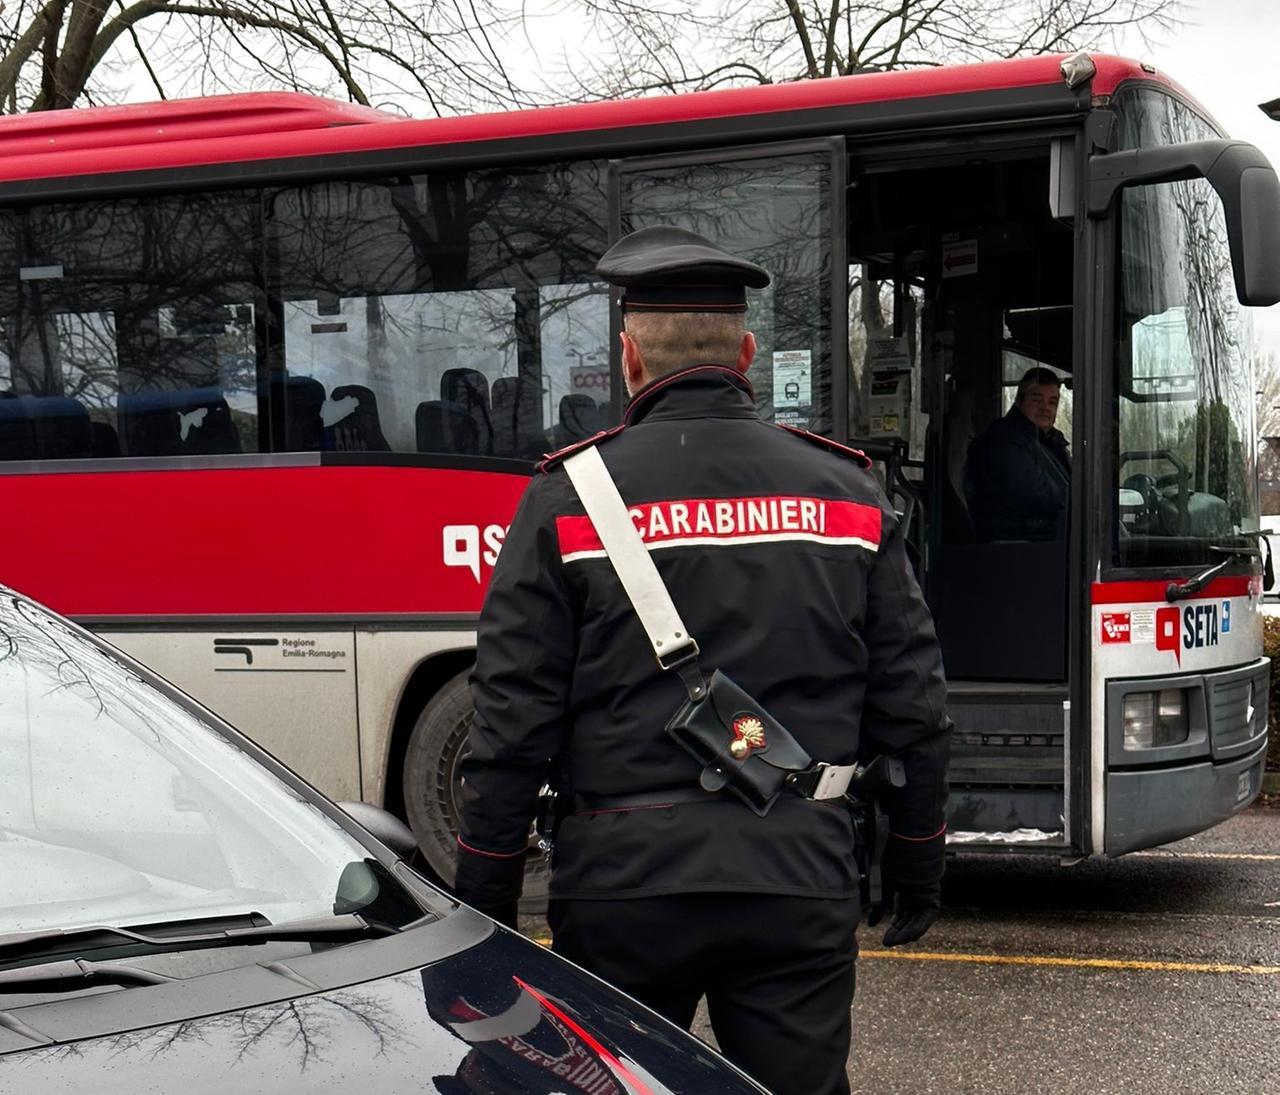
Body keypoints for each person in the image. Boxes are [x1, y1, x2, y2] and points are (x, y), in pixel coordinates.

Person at [453, 225, 951, 1095]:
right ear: (747, 353)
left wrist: (484, 903)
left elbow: (508, 727)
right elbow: (914, 704)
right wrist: (916, 854)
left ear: (628, 358)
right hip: (799, 873)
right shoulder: (846, 490)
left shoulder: (566, 498)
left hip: (622, 888)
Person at [966, 366, 1071, 542]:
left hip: (1045, 539)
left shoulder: (1046, 440)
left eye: (1052, 402)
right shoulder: (1004, 440)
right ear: (1019, 401)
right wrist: (1081, 498)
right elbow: (1037, 496)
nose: (1046, 408)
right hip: (1020, 546)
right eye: (1037, 400)